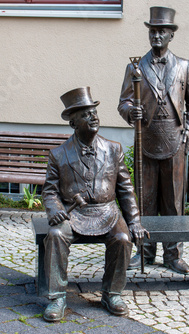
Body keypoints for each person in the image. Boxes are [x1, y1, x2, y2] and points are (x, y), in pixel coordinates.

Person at [42, 87, 148, 322]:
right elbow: (49, 191)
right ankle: (57, 297)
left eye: (95, 112)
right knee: (56, 235)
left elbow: (125, 189)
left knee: (122, 238)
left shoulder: (113, 149)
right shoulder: (58, 155)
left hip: (107, 212)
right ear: (73, 123)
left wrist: (135, 221)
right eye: (86, 114)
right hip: (75, 213)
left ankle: (112, 294)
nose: (94, 117)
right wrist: (56, 209)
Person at [118, 6, 189, 275]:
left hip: (175, 142)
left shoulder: (184, 66)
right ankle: (143, 250)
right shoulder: (135, 66)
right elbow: (123, 102)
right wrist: (132, 111)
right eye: (152, 31)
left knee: (174, 201)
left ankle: (173, 254)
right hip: (146, 140)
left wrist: (188, 132)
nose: (156, 36)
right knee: (145, 199)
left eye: (161, 32)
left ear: (171, 36)